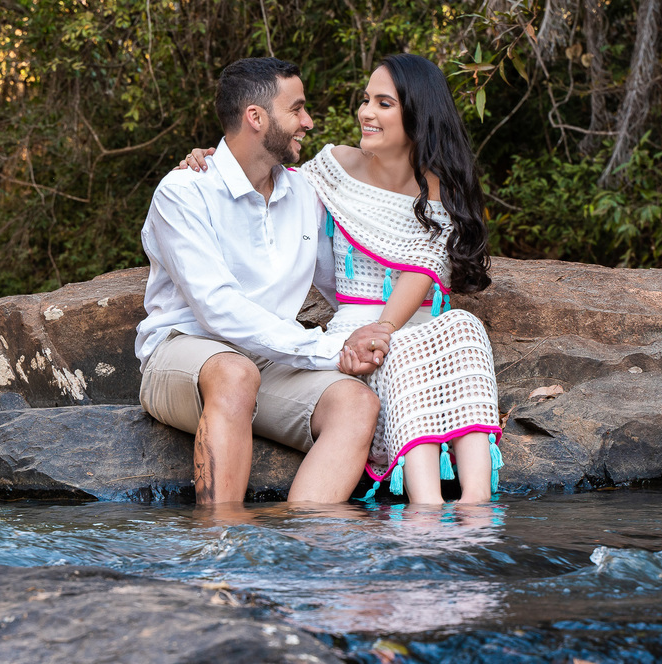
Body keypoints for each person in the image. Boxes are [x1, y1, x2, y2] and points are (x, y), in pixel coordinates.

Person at [182, 54, 503, 504]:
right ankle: (426, 507)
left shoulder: (440, 187)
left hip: (408, 322)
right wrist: (216, 161)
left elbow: (422, 268)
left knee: (465, 328)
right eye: (366, 99)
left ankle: (476, 503)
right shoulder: (331, 167)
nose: (365, 112)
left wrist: (387, 327)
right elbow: (272, 180)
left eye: (383, 103)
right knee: (401, 353)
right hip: (358, 327)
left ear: (418, 115)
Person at [136, 57, 393, 506]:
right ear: (255, 117)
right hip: (183, 351)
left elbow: (344, 288)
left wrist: (386, 331)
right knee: (235, 373)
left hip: (269, 363)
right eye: (297, 109)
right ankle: (224, 548)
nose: (308, 122)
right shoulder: (183, 192)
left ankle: (304, 544)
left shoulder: (306, 193)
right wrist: (328, 350)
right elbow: (217, 308)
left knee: (356, 405)